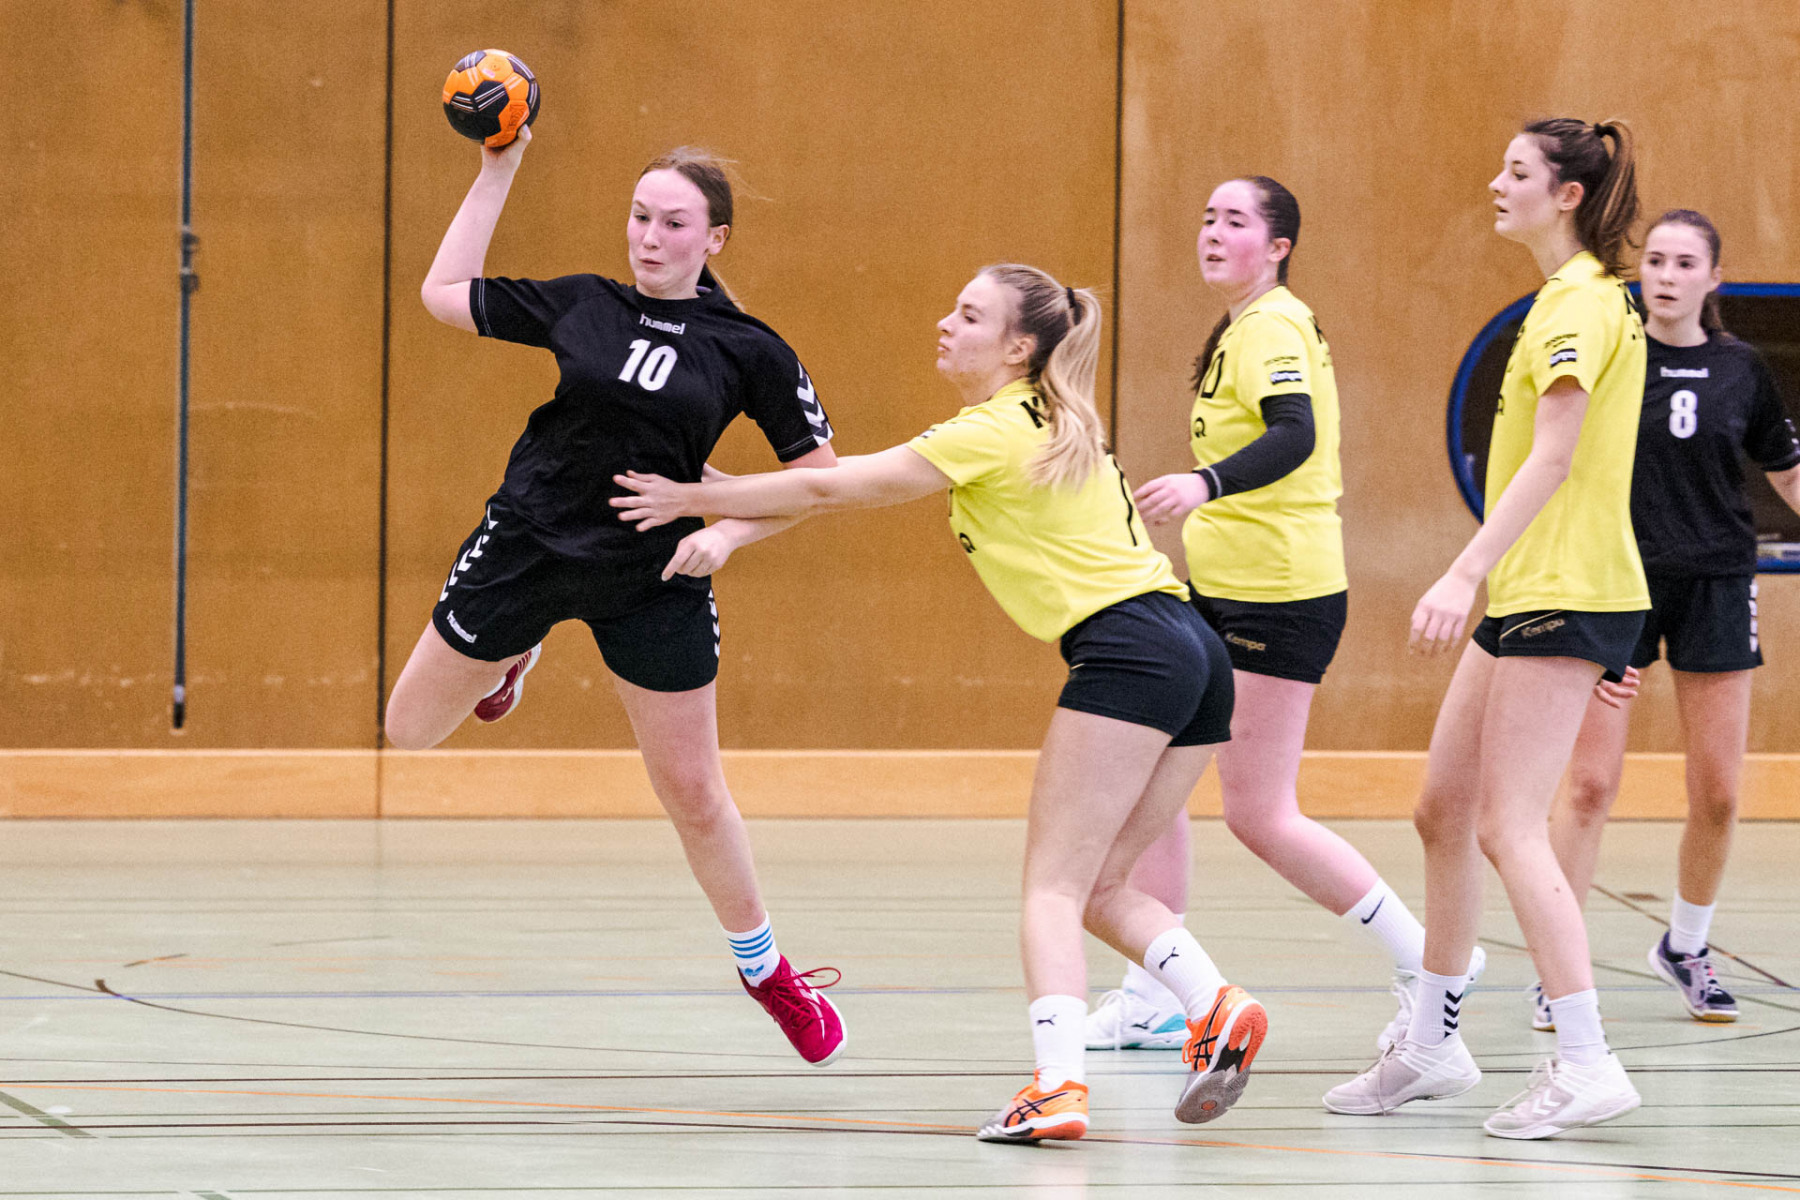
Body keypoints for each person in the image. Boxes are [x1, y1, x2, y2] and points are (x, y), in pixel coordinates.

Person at [611, 264, 1266, 1142]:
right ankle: (1214, 1002)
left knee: (1051, 887)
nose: (945, 324)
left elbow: (829, 486)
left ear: (1018, 348)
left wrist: (695, 500)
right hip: (1194, 652)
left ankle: (1058, 1088)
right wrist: (725, 490)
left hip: (1130, 651)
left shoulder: (991, 429)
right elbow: (821, 486)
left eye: (969, 315)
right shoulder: (1054, 419)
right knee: (1101, 887)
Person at [384, 125, 848, 1066]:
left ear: (714, 238)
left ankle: (767, 970)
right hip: (527, 547)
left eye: (673, 223)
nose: (650, 237)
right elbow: (442, 292)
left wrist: (721, 528)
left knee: (693, 791)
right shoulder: (584, 305)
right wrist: (499, 167)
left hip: (653, 576)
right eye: (640, 217)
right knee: (409, 731)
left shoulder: (748, 349)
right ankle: (513, 652)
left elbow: (819, 481)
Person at [1093, 176, 1479, 1055]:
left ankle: (1430, 960)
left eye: (1235, 220)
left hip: (1276, 597)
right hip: (1226, 589)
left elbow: (1294, 433)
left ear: (1278, 247)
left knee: (1260, 813)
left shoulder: (1272, 326)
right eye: (1206, 216)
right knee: (1154, 779)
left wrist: (1205, 483)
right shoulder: (1244, 326)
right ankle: (1153, 992)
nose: (1213, 231)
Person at [1325, 118, 1649, 1139]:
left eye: (1518, 172)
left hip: (1565, 585)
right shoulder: (1563, 300)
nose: (1497, 184)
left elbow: (1555, 456)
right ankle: (1431, 1044)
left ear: (1566, 195)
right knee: (1443, 810)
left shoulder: (1583, 303)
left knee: (1511, 825)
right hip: (1526, 587)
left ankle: (1587, 1061)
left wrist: (1462, 570)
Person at [1539, 209, 1800, 1029]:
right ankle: (1559, 968)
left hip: (1717, 583)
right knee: (1590, 785)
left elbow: (1788, 472)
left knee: (1718, 793)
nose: (1667, 275)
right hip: (1617, 583)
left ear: (1713, 278)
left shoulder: (1741, 369)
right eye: (1654, 260)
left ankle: (1686, 947)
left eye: (1686, 263)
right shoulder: (1615, 355)